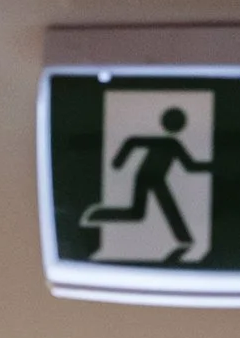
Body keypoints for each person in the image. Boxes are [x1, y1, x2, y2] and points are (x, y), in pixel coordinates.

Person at [84, 105, 209, 258]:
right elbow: (133, 141)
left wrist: (119, 161)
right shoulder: (170, 143)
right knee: (144, 212)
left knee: (139, 213)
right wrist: (119, 161)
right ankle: (184, 239)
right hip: (149, 177)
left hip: (152, 178)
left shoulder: (172, 143)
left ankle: (185, 240)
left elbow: (190, 166)